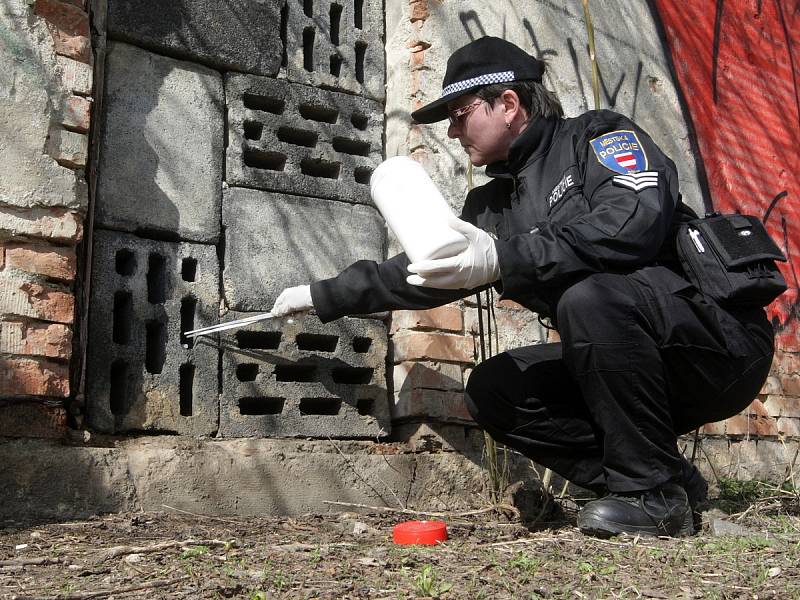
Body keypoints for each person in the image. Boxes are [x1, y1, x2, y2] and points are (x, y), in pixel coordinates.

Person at [270, 36, 775, 537]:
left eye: (460, 112)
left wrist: (505, 255)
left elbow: (632, 223)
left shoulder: (599, 139)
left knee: (590, 297)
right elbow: (426, 271)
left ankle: (650, 496)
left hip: (716, 344)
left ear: (508, 103)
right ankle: (665, 477)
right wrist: (322, 295)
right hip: (626, 365)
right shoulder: (492, 206)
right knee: (497, 391)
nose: (451, 129)